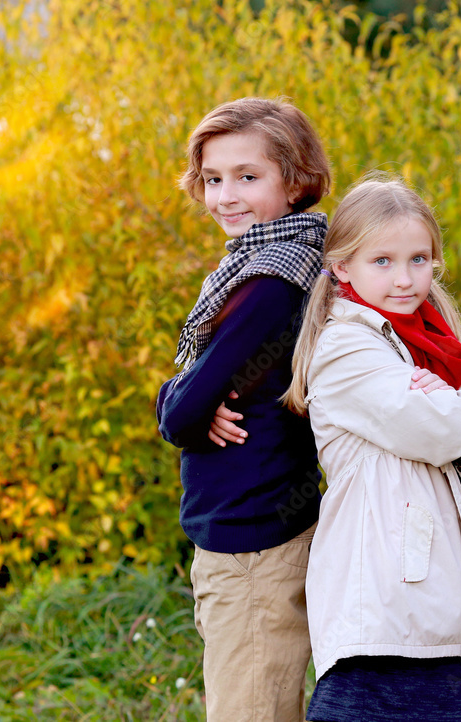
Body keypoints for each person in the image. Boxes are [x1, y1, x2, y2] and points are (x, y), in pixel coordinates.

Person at [282, 175, 461, 722]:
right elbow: (439, 428)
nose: (404, 278)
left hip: (440, 598)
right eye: (382, 261)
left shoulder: (425, 345)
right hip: (386, 597)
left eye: (418, 259)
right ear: (342, 267)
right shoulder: (345, 345)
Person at [155, 96, 331, 722]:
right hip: (256, 532)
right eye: (212, 179)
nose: (225, 196)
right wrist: (184, 398)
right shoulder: (278, 260)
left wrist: (180, 402)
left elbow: (180, 418)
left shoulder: (268, 284)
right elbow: (189, 400)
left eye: (247, 177)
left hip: (253, 545)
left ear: (296, 179)